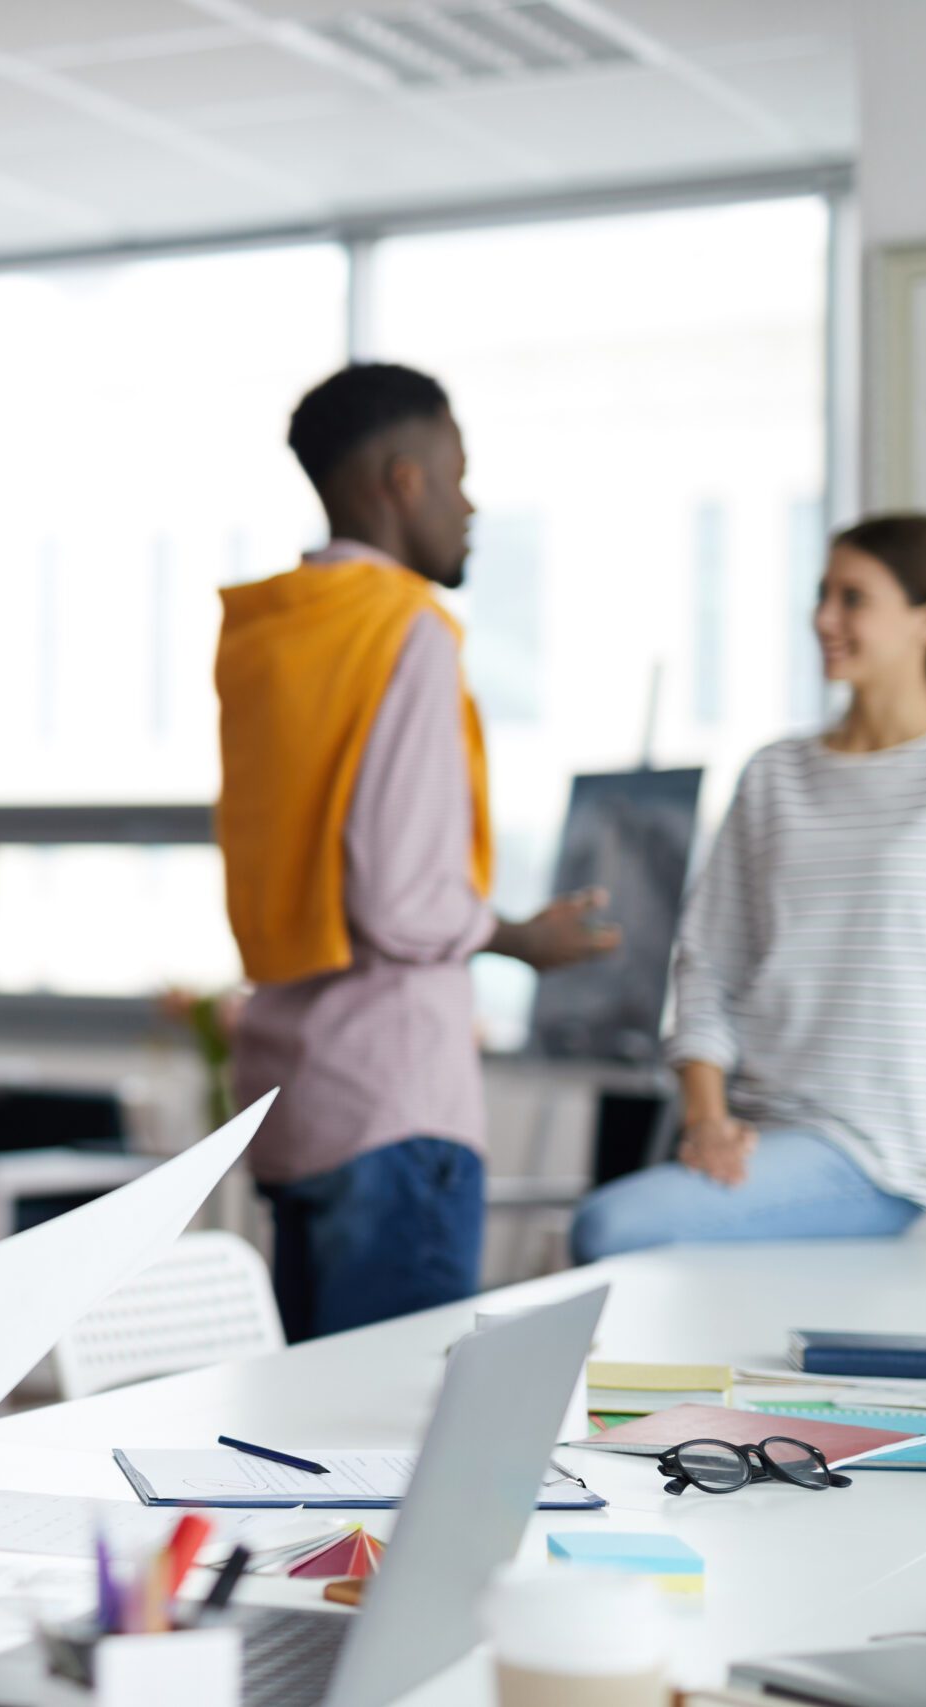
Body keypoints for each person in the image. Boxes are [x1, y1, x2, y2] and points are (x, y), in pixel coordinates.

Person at [568, 513, 926, 1261]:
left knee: (609, 1226)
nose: (824, 617)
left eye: (854, 598)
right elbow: (707, 962)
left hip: (874, 1157)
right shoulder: (774, 773)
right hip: (748, 1138)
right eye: (822, 594)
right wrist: (707, 1117)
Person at [216, 362, 618, 1341]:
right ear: (402, 482)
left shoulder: (268, 632)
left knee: (309, 1450)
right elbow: (400, 899)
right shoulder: (408, 631)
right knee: (391, 1441)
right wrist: (515, 936)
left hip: (297, 1102)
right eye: (456, 475)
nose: (468, 505)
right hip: (396, 1106)